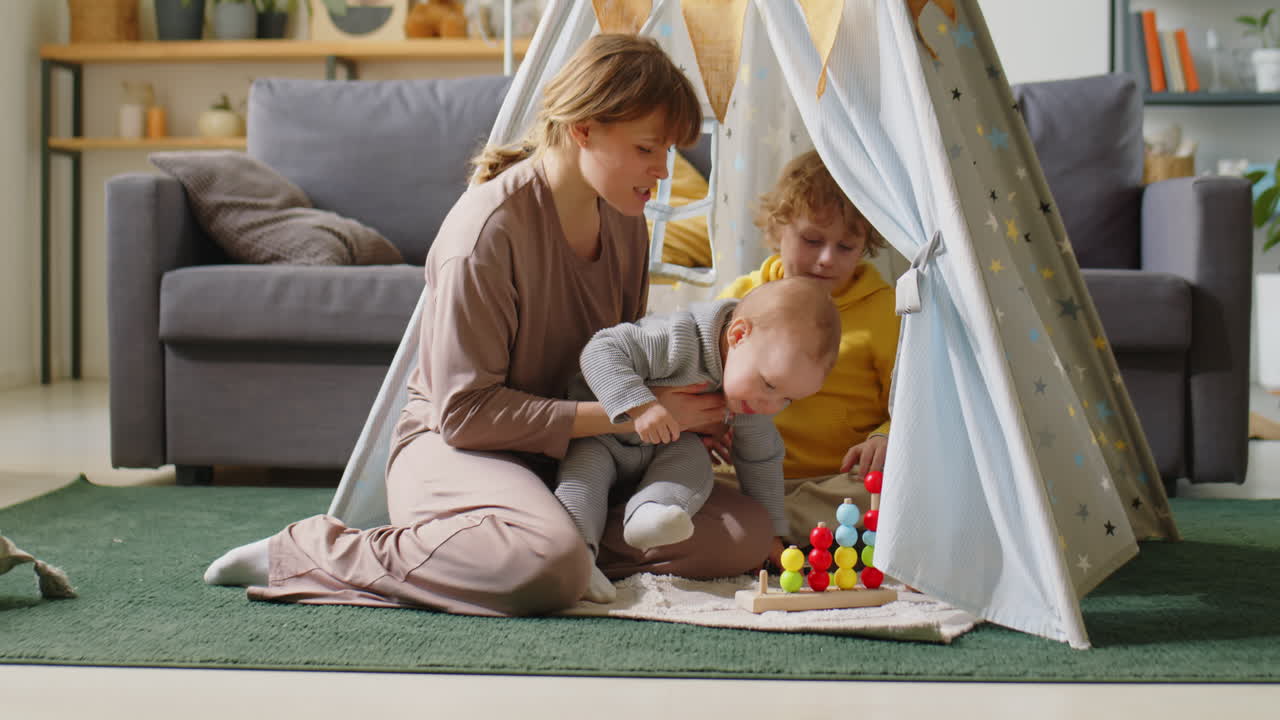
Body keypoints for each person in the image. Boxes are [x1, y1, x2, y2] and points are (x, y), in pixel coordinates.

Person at [203, 34, 778, 616]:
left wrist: (680, 415)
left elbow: (621, 360)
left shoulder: (626, 218)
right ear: (583, 129)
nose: (662, 170)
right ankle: (314, 552)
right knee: (547, 565)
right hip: (459, 447)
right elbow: (464, 415)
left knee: (747, 535)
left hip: (573, 453)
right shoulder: (486, 234)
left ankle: (544, 546)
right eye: (648, 149)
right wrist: (637, 413)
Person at [557, 277, 840, 602]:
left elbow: (761, 457)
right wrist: (642, 406)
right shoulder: (678, 339)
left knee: (692, 460)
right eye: (770, 385)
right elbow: (600, 350)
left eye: (787, 400)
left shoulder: (751, 396)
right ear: (738, 335)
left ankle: (652, 511)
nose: (770, 406)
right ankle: (577, 561)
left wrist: (772, 534)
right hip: (602, 439)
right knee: (583, 481)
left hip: (664, 449)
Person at [717, 150, 900, 548]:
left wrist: (883, 437)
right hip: (744, 474)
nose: (825, 260)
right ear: (778, 227)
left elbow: (910, 406)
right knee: (679, 473)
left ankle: (767, 525)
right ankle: (769, 523)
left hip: (836, 483)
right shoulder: (743, 298)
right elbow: (704, 374)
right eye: (811, 240)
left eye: (846, 247)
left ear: (865, 245)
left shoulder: (885, 310)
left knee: (901, 489)